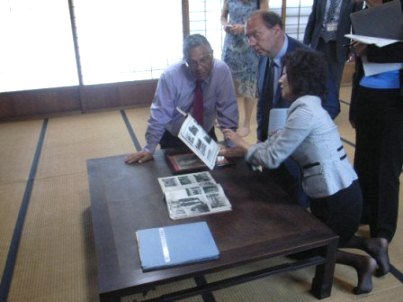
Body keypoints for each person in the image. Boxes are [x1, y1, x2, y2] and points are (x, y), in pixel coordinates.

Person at [221, 48, 390, 295]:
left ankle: (362, 262)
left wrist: (241, 143)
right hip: (337, 192)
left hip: (337, 197)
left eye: (286, 74)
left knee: (303, 247)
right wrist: (243, 149)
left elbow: (272, 157)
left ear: (300, 79)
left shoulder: (305, 112)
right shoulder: (305, 107)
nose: (280, 79)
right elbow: (275, 143)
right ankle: (371, 244)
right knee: (332, 235)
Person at [243, 10, 340, 208]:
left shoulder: (308, 60)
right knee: (272, 206)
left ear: (276, 30)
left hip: (298, 157)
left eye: (256, 35)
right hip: (271, 150)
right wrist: (262, 141)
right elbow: (265, 104)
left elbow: (330, 106)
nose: (251, 42)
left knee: (297, 211)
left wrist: (294, 132)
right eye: (248, 37)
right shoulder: (263, 57)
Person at [124, 34, 239, 164]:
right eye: (193, 62)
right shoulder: (170, 76)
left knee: (215, 173)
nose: (199, 67)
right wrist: (149, 148)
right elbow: (160, 114)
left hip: (206, 132)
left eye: (204, 60)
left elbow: (228, 109)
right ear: (185, 60)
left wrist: (232, 145)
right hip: (174, 136)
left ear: (212, 54)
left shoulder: (221, 71)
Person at [349, 0, 403, 243]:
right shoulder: (365, 10)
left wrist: (370, 49)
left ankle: (382, 230)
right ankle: (363, 212)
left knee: (387, 167)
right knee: (363, 159)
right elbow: (358, 59)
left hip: (395, 101)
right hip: (366, 93)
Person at [221, 0, 269, 137]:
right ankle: (228, 118)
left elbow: (266, 20)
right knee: (228, 81)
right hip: (231, 44)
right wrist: (225, 25)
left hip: (250, 44)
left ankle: (246, 123)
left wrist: (244, 28)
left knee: (249, 82)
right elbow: (223, 16)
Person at [303, 0, 361, 97]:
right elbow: (312, 19)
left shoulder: (353, 2)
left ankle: (332, 109)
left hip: (339, 46)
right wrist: (305, 44)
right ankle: (315, 106)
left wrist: (353, 49)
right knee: (314, 78)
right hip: (319, 43)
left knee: (334, 81)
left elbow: (356, 24)